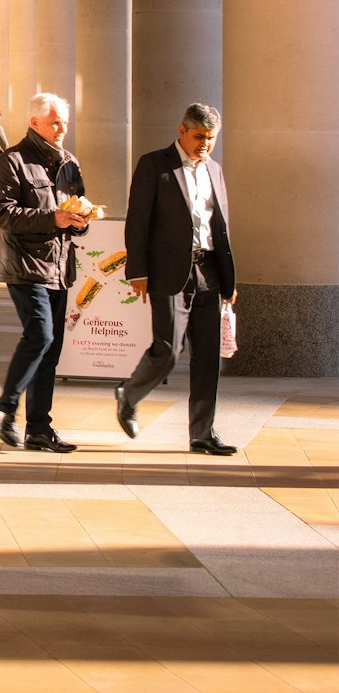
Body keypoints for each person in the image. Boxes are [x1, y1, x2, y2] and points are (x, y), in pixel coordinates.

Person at [116, 102, 238, 455]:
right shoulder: (154, 165)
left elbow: (222, 227)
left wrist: (230, 282)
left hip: (209, 272)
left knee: (208, 357)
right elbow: (137, 221)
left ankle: (202, 433)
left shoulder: (215, 170)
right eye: (199, 136)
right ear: (182, 130)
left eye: (211, 138)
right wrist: (137, 270)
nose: (205, 144)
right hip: (168, 272)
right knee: (168, 348)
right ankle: (130, 393)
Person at [0, 92, 89, 453]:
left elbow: (76, 210)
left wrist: (80, 220)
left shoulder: (69, 163)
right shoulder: (11, 161)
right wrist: (54, 218)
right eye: (55, 122)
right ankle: (6, 408)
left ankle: (39, 429)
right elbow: (2, 214)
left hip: (60, 267)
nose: (62, 128)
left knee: (52, 349)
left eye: (65, 122)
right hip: (25, 266)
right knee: (41, 336)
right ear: (35, 122)